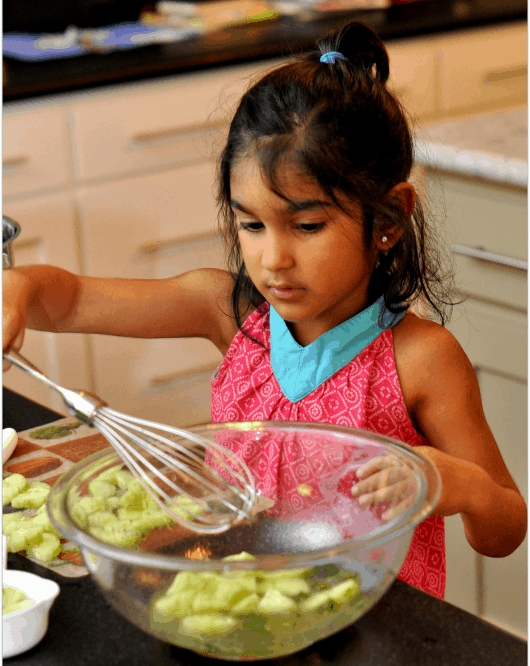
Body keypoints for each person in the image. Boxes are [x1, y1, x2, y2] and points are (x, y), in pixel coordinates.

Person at [3, 21, 526, 600]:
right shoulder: (228, 313)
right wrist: (19, 288)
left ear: (389, 220)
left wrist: (461, 486)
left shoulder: (422, 360)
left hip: (372, 624)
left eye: (306, 225)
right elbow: (71, 301)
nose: (273, 258)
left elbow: (504, 528)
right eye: (251, 224)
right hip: (240, 603)